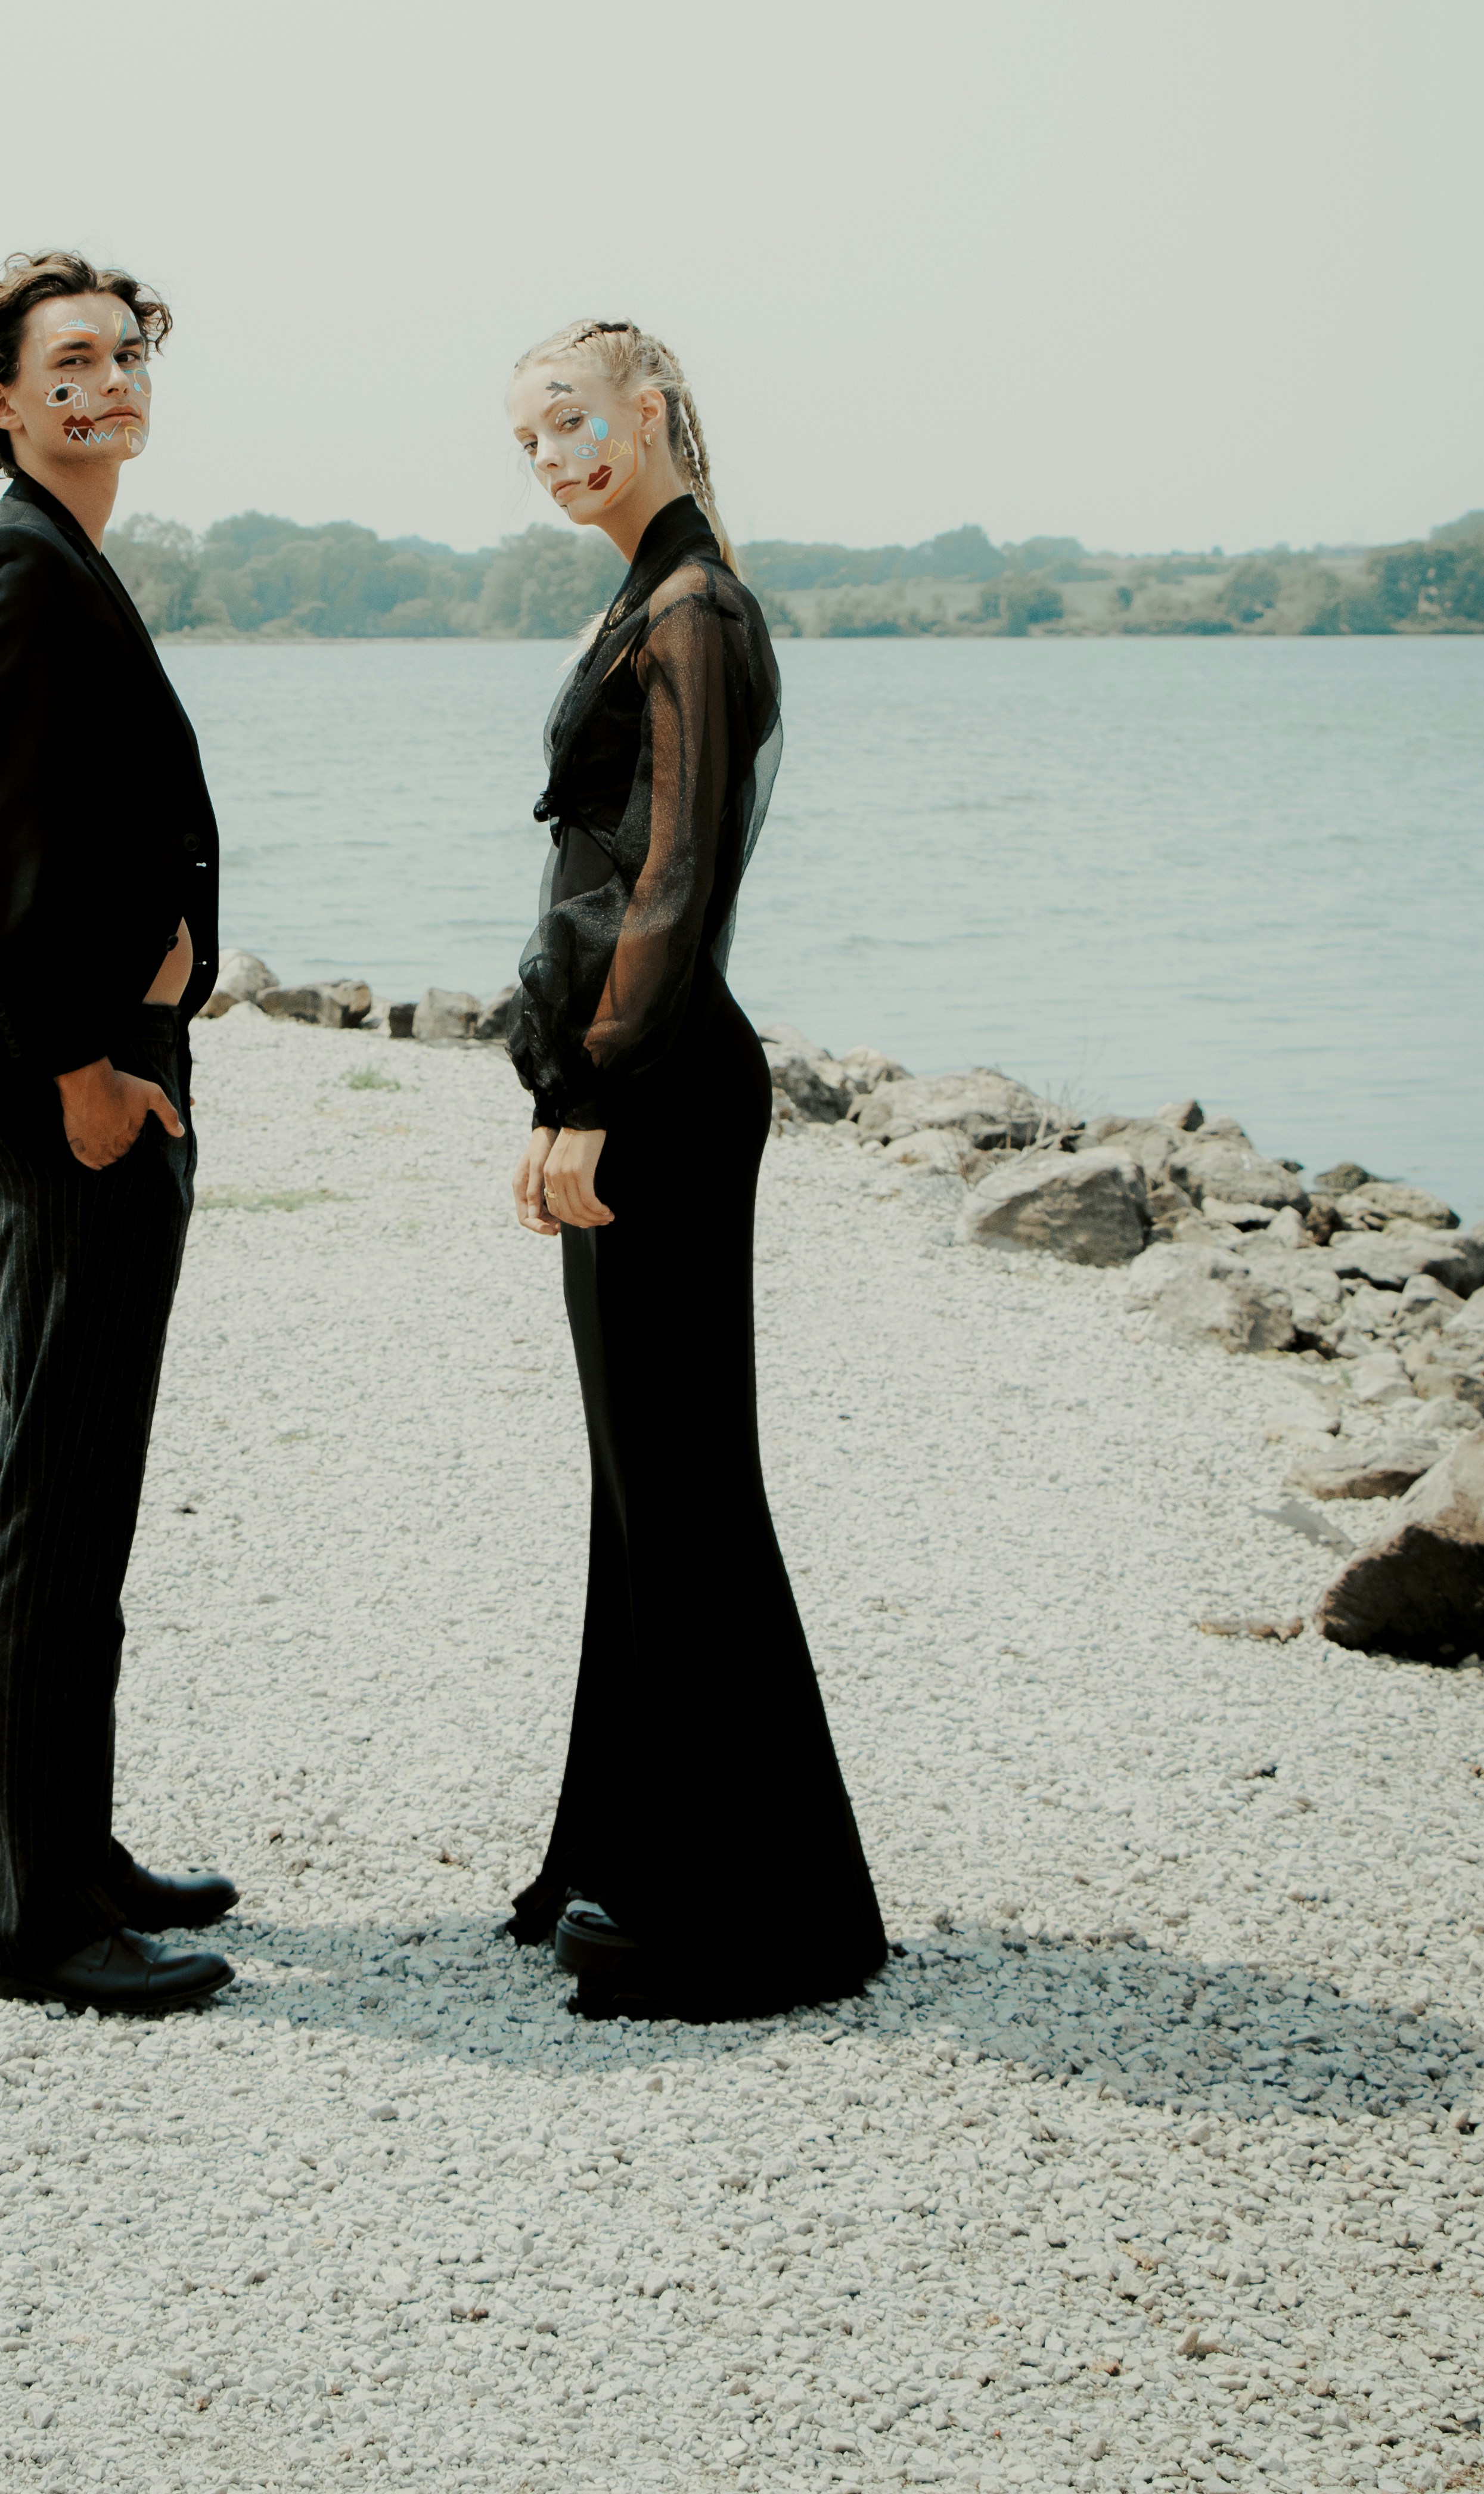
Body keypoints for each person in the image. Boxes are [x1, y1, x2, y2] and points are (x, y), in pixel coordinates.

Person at [500, 318, 888, 2020]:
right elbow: (607, 879)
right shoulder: (646, 597)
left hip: (657, 1091)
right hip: (630, 1083)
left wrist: (587, 1088)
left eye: (577, 420)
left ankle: (756, 1908)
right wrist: (562, 1086)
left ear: (654, 409)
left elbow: (670, 884)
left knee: (685, 1488)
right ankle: (625, 1844)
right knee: (636, 1489)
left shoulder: (696, 610)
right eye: (531, 439)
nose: (558, 456)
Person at [0, 249, 234, 2014]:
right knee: (51, 1488)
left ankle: (73, 1846)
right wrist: (85, 1071)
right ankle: (33, 1921)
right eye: (69, 363)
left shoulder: (71, 562)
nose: (107, 383)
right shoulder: (16, 576)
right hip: (75, 1105)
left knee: (87, 1483)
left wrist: (164, 974)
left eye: (125, 357)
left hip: (118, 1070)